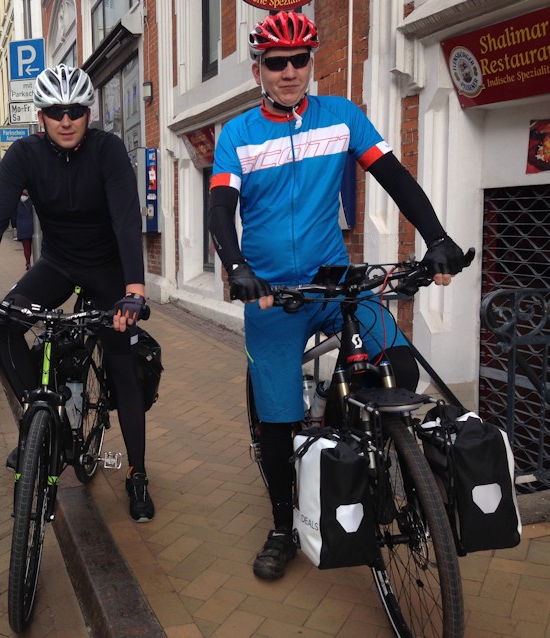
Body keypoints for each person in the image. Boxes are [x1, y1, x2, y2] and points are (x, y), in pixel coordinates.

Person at [208, 11, 467, 581]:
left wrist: (438, 238)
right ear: (259, 69)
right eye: (277, 63)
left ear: (310, 64)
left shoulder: (342, 118)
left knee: (399, 362)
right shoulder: (238, 135)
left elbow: (395, 177)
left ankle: (359, 430)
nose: (290, 72)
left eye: (300, 60)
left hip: (333, 283)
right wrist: (237, 267)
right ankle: (281, 525)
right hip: (273, 294)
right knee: (278, 418)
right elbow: (221, 207)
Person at [0, 64, 155, 522]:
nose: (65, 121)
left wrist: (133, 290)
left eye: (74, 111)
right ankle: (38, 418)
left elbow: (127, 220)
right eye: (54, 112)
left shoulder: (108, 151)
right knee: (5, 321)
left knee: (123, 368)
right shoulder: (24, 155)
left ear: (88, 113)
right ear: (41, 116)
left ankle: (138, 474)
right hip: (60, 263)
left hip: (109, 270)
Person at [15, 190, 35, 270]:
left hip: (22, 227)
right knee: (35, 245)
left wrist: (15, 225)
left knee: (26, 247)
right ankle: (37, 261)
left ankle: (28, 262)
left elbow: (13, 215)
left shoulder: (17, 203)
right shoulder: (31, 202)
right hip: (32, 226)